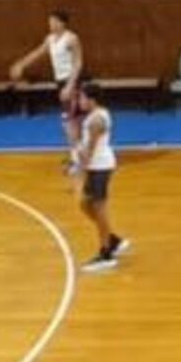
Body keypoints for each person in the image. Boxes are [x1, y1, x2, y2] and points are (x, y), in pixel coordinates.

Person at [9, 10, 85, 172]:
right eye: (49, 21)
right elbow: (38, 53)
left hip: (71, 81)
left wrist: (70, 85)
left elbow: (78, 63)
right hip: (60, 82)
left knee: (69, 121)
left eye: (53, 21)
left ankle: (78, 160)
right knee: (71, 121)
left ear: (62, 23)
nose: (50, 24)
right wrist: (21, 64)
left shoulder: (71, 39)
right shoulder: (50, 39)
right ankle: (77, 155)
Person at [73, 78, 127, 273]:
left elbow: (90, 149)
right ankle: (112, 239)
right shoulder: (95, 116)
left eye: (81, 97)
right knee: (85, 205)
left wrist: (79, 170)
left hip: (99, 167)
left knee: (99, 207)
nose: (79, 100)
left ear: (91, 99)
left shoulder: (97, 120)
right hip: (97, 166)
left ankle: (106, 253)